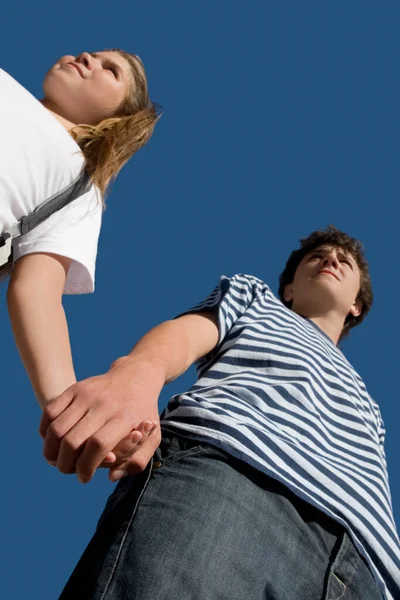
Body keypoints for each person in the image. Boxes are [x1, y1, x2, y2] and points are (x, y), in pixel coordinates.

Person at [40, 225, 399, 599]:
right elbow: (184, 335)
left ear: (356, 305)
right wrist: (137, 374)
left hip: (363, 565)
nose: (331, 260)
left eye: (344, 262)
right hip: (232, 484)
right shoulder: (255, 297)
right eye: (317, 256)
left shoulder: (369, 403)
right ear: (289, 289)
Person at [1, 50, 160, 472]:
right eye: (95, 53)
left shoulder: (76, 185)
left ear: (120, 117)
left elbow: (37, 292)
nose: (89, 56)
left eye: (112, 70)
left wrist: (75, 413)